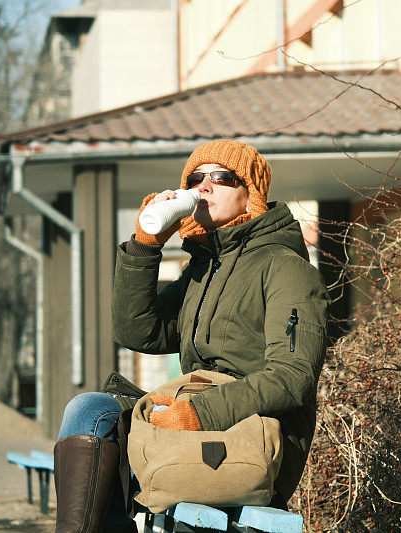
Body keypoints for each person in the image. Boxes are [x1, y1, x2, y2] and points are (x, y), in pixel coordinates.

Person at [53, 139, 330, 532]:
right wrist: (145, 246)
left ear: (250, 193)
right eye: (196, 178)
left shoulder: (285, 267)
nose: (204, 186)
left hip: (252, 433)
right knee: (89, 410)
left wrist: (197, 415)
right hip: (191, 417)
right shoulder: (203, 268)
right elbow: (139, 331)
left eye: (222, 177)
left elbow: (292, 378)